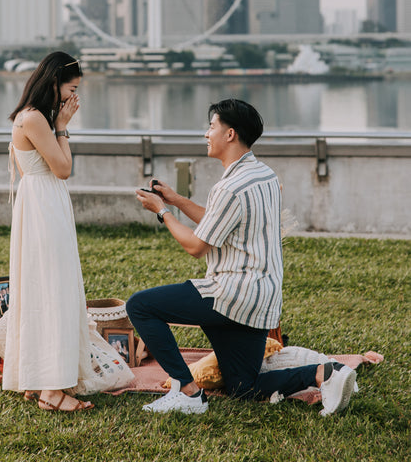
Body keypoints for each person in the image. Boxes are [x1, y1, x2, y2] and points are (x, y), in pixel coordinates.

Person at [127, 97, 357, 417]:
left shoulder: (230, 186)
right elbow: (219, 220)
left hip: (230, 294)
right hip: (261, 300)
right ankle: (325, 373)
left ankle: (188, 391)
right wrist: (178, 200)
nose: (206, 134)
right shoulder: (264, 175)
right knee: (242, 387)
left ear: (230, 134)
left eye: (211, 127)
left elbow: (196, 246)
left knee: (140, 305)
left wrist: (162, 211)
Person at [2, 51, 95, 413]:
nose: (73, 98)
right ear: (53, 83)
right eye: (70, 89)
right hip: (44, 204)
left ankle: (38, 378)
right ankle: (51, 392)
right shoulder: (37, 119)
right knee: (52, 289)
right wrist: (63, 126)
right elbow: (62, 168)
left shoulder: (33, 116)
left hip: (40, 201)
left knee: (43, 287)